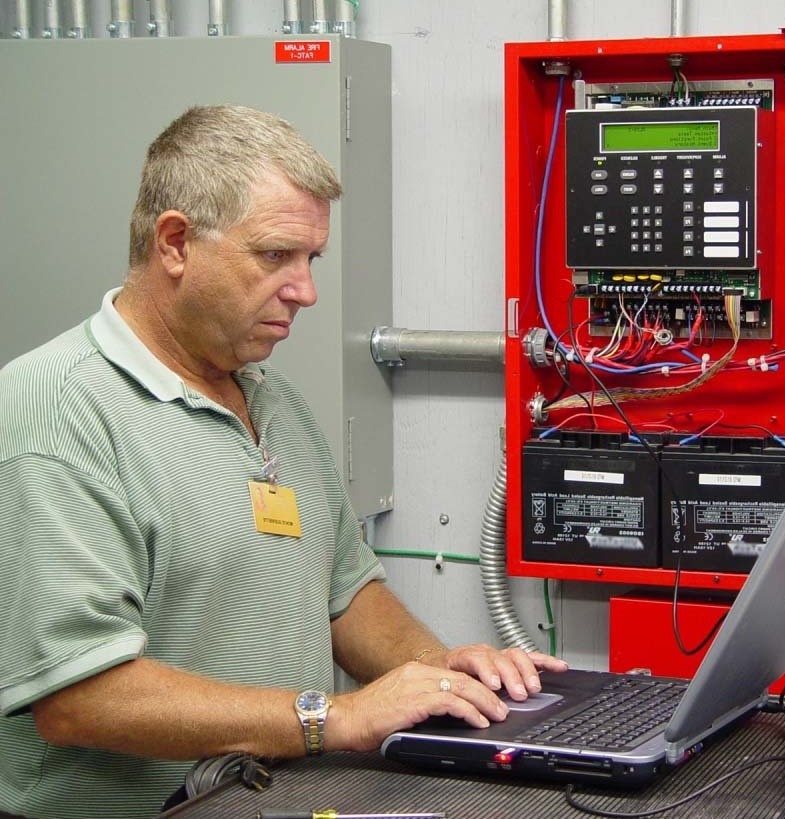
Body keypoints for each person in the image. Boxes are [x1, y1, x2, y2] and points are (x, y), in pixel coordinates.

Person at [0, 104, 567, 819]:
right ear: (175, 243)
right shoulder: (57, 410)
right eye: (275, 256)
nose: (306, 290)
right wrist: (332, 717)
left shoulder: (273, 398)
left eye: (311, 260)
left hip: (274, 801)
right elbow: (79, 696)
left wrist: (435, 671)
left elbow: (344, 591)